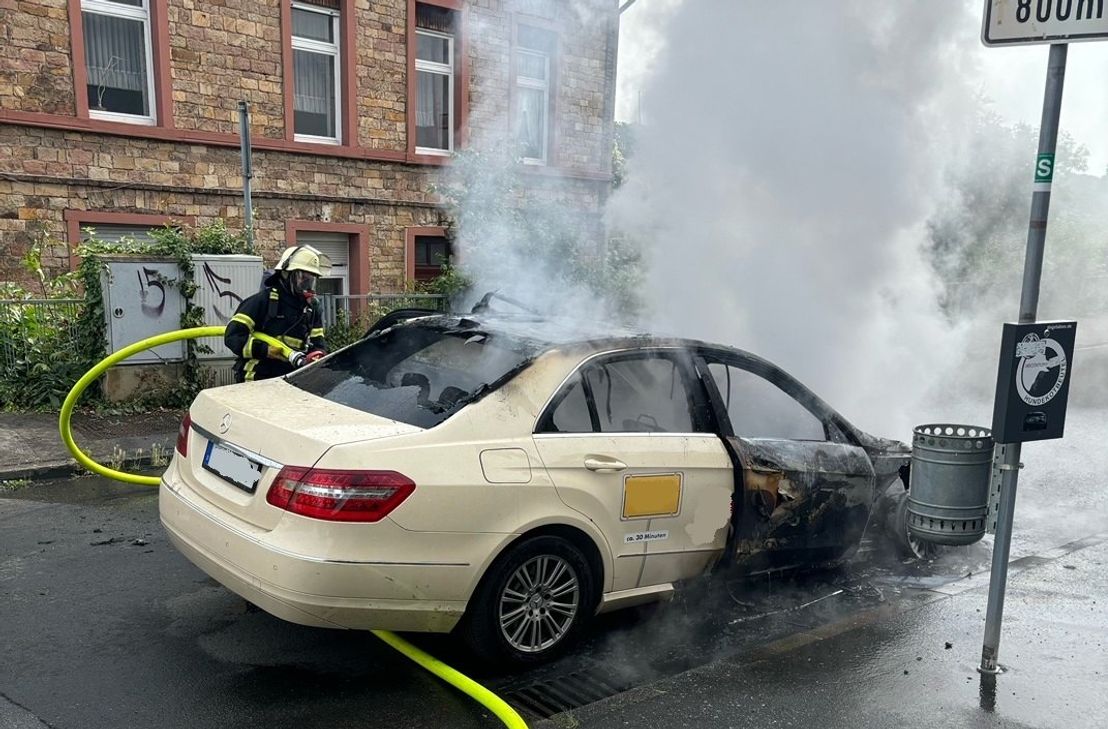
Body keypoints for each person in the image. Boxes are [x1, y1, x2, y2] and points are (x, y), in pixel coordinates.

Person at [224, 245, 330, 383]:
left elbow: (318, 343)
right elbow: (233, 336)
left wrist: (317, 355)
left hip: (289, 379)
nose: (307, 285)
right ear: (286, 274)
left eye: (311, 280)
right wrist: (264, 350)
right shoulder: (263, 301)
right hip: (256, 378)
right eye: (303, 277)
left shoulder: (311, 309)